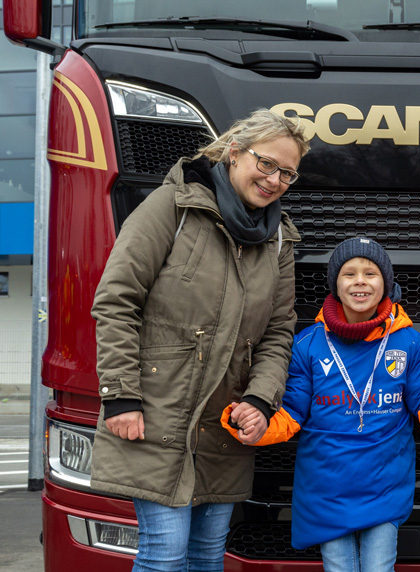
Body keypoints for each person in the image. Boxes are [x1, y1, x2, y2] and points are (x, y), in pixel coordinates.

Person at [90, 108, 309, 572]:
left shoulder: (278, 242)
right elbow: (116, 301)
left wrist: (261, 399)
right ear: (234, 152)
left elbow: (277, 333)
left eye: (287, 173)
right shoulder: (172, 205)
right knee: (165, 553)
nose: (274, 180)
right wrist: (120, 395)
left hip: (224, 425)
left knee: (208, 556)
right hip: (155, 412)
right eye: (265, 163)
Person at [221, 237, 420, 572]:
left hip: (384, 485)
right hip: (327, 487)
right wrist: (254, 424)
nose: (360, 281)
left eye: (371, 273)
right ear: (335, 284)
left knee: (378, 568)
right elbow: (290, 412)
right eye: (349, 273)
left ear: (387, 283)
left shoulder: (409, 342)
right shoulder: (308, 345)